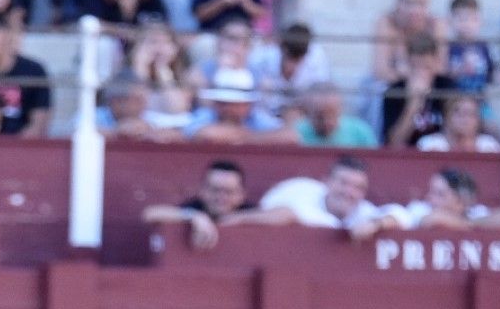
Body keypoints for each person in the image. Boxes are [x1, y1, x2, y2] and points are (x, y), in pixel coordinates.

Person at [140, 157, 276, 247]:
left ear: (241, 194)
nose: (221, 197)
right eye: (215, 190)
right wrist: (194, 216)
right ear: (202, 191)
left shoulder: (247, 210)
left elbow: (287, 214)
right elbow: (150, 213)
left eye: (229, 191)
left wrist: (239, 218)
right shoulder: (195, 208)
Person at [352, 166, 500, 234]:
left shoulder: (476, 213)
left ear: (460, 202)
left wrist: (467, 224)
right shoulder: (420, 209)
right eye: (431, 192)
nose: (429, 198)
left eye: (439, 194)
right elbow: (430, 220)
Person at [256, 155, 384, 230]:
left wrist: (377, 224)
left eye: (358, 187)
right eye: (343, 183)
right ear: (326, 182)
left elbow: (398, 214)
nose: (349, 192)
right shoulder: (300, 194)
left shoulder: (363, 210)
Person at [372, 0, 447, 86]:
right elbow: (381, 70)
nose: (415, 10)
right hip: (393, 84)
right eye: (409, 2)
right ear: (398, 2)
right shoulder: (387, 23)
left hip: (426, 83)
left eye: (421, 3)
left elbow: (440, 67)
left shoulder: (435, 25)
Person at [295, 82, 378, 146]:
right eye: (320, 116)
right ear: (307, 112)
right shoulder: (296, 133)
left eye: (332, 114)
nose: (327, 121)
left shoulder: (360, 132)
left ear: (340, 109)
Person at [414, 91, 499, 151]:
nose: (464, 119)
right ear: (446, 117)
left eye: (470, 113)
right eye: (458, 112)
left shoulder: (488, 146)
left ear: (478, 120)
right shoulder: (430, 144)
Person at [444, 0, 493, 91]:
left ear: (479, 21)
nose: (467, 24)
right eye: (461, 19)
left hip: (479, 98)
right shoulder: (448, 47)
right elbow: (444, 75)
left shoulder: (483, 46)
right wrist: (461, 69)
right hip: (455, 99)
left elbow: (490, 72)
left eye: (472, 19)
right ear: (450, 21)